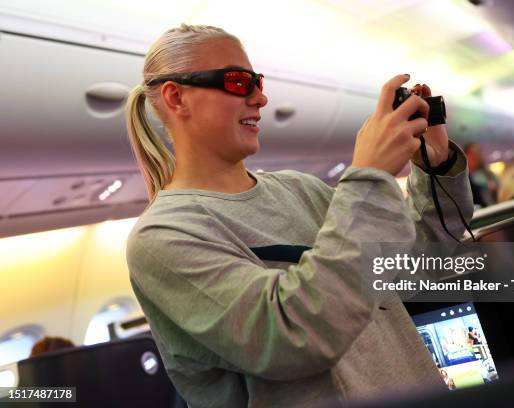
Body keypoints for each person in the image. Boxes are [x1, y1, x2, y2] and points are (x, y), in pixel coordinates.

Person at [124, 23, 473, 408]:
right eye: (240, 83)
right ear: (176, 97)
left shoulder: (302, 190)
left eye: (258, 82)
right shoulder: (163, 236)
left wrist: (434, 170)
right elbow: (293, 336)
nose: (261, 98)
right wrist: (369, 176)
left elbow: (417, 262)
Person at [464, 142, 499, 207]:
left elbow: (498, 185)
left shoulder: (487, 172)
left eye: (478, 152)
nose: (476, 156)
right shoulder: (464, 177)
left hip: (493, 207)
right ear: (466, 155)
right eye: (472, 153)